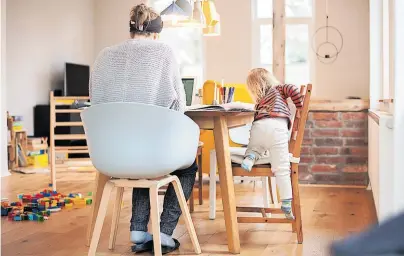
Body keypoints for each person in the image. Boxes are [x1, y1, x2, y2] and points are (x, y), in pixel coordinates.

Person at [89, 4, 196, 254]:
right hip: (148, 153)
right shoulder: (164, 53)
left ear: (131, 30)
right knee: (188, 165)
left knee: (139, 153)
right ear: (157, 34)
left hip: (110, 155)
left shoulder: (104, 55)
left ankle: (138, 228)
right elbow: (179, 106)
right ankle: (165, 232)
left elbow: (95, 100)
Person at [241, 68, 303, 220]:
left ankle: (250, 158)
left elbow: (256, 122)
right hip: (278, 127)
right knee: (281, 168)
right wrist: (299, 105)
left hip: (259, 126)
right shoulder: (279, 88)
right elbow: (293, 88)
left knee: (256, 146)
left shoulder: (260, 102)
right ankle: (287, 202)